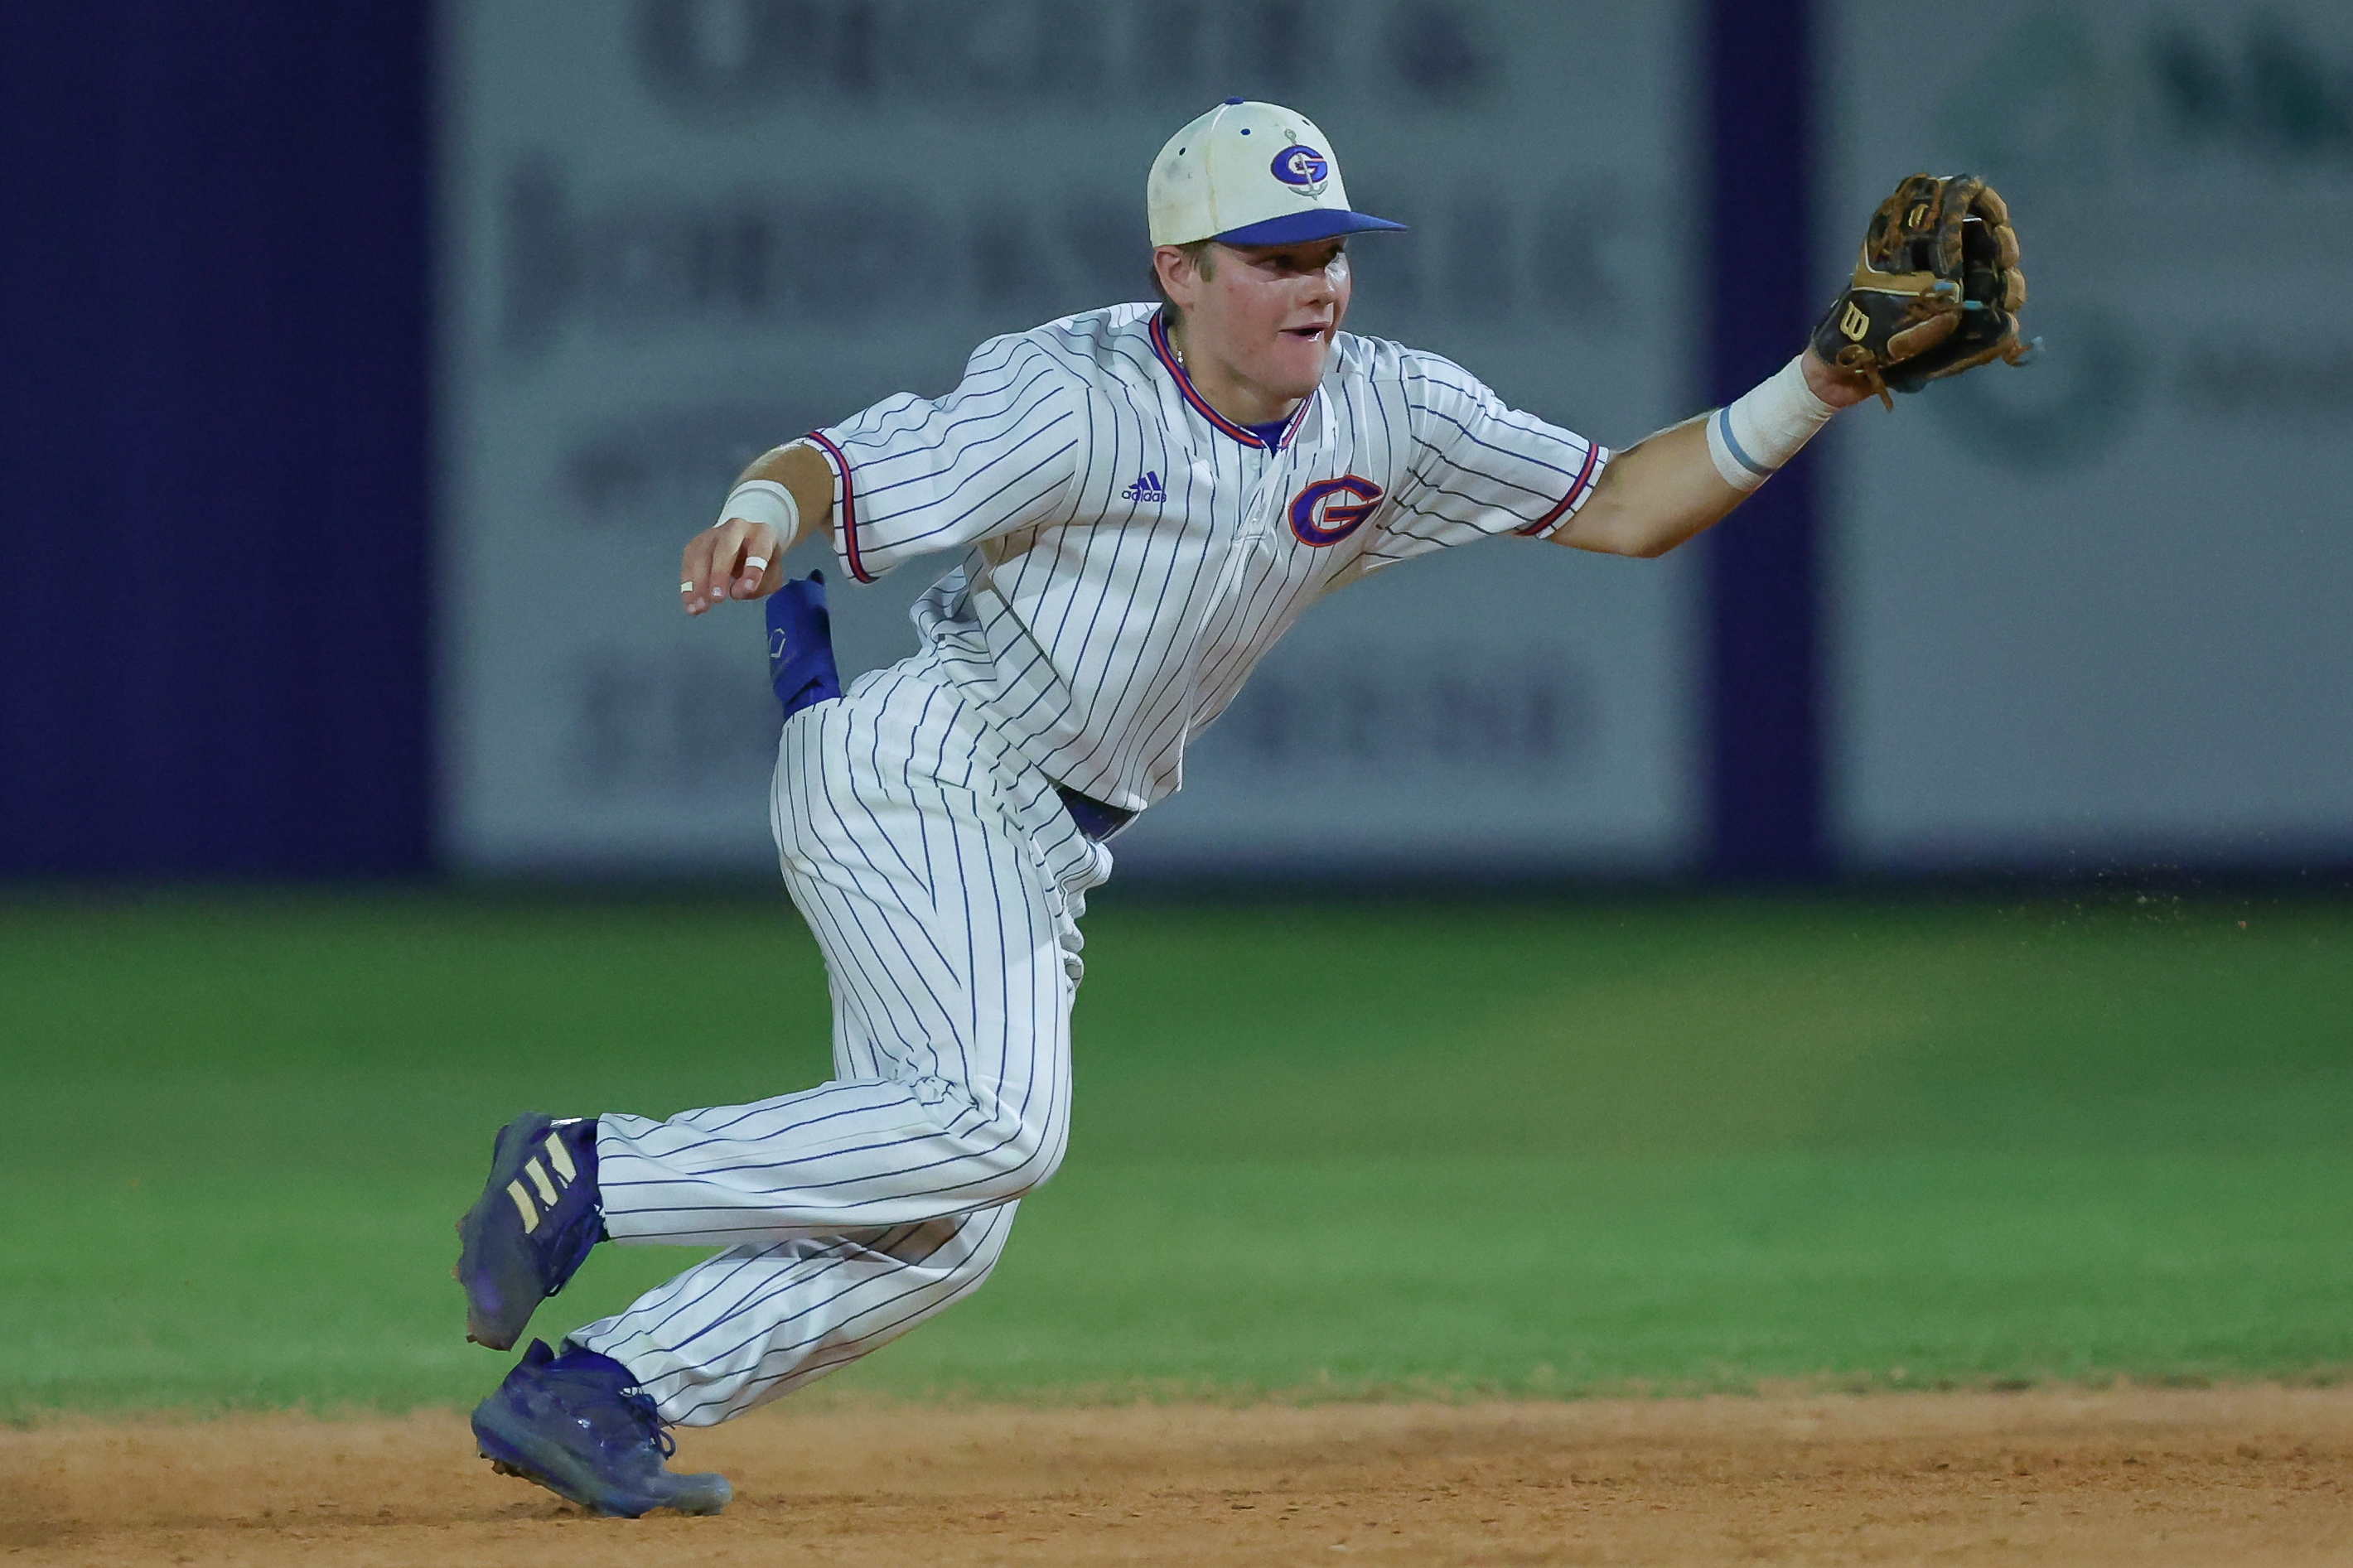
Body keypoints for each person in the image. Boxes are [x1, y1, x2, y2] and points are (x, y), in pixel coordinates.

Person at [454, 98, 1879, 1517]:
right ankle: (588, 1169)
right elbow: (833, 463)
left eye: (1329, 250)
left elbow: (1627, 502)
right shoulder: (1070, 393)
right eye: (1272, 257)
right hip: (924, 766)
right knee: (999, 1125)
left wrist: (1821, 378)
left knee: (946, 1226)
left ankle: (604, 1386)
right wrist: (764, 512)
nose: (1316, 284)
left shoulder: (1395, 410)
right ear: (1178, 272)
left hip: (1041, 837)